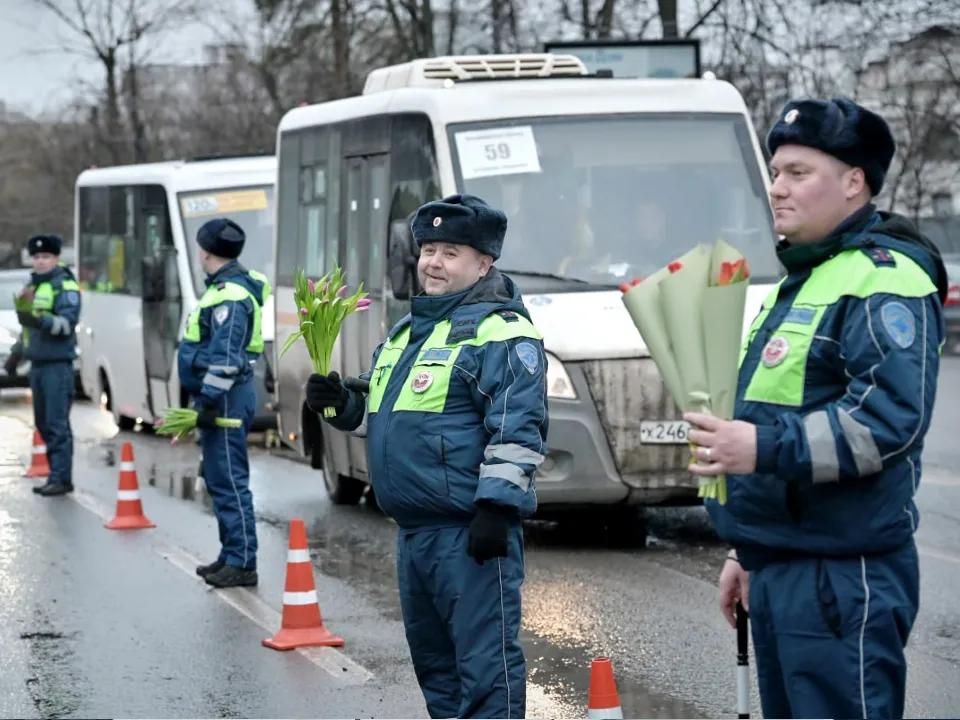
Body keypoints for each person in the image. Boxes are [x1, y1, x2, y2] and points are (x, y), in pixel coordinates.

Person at [685, 98, 948, 720]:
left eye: (798, 173)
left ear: (854, 181)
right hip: (785, 564)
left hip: (842, 575)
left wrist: (761, 448)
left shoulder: (885, 278)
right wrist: (745, 551)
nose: (776, 189)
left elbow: (887, 423)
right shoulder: (807, 277)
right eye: (775, 173)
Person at [305, 193, 548, 719]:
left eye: (450, 252)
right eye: (428, 249)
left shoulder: (502, 332)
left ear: (484, 263)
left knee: (487, 676)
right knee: (438, 674)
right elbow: (386, 420)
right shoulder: (407, 332)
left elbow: (517, 430)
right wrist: (339, 405)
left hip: (470, 537)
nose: (433, 262)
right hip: (415, 537)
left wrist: (496, 509)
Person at [177, 218, 271, 589]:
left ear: (204, 251)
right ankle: (231, 553)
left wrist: (211, 400)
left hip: (227, 398)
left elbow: (227, 357)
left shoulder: (230, 296)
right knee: (218, 477)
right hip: (222, 396)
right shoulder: (224, 290)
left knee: (230, 478)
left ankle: (243, 562)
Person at [5, 233, 82, 496]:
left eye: (45, 257)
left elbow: (67, 324)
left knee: (56, 423)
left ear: (56, 258)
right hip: (37, 364)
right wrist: (16, 354)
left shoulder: (65, 286)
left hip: (57, 365)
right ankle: (55, 473)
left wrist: (42, 321)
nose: (40, 262)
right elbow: (26, 330)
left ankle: (62, 478)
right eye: (36, 257)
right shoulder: (30, 286)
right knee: (43, 423)